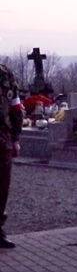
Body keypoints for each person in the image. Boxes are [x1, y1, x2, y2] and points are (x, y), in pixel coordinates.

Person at [0, 63, 23, 249]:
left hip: (2, 140)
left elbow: (15, 108)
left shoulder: (5, 73)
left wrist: (15, 137)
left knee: (2, 188)